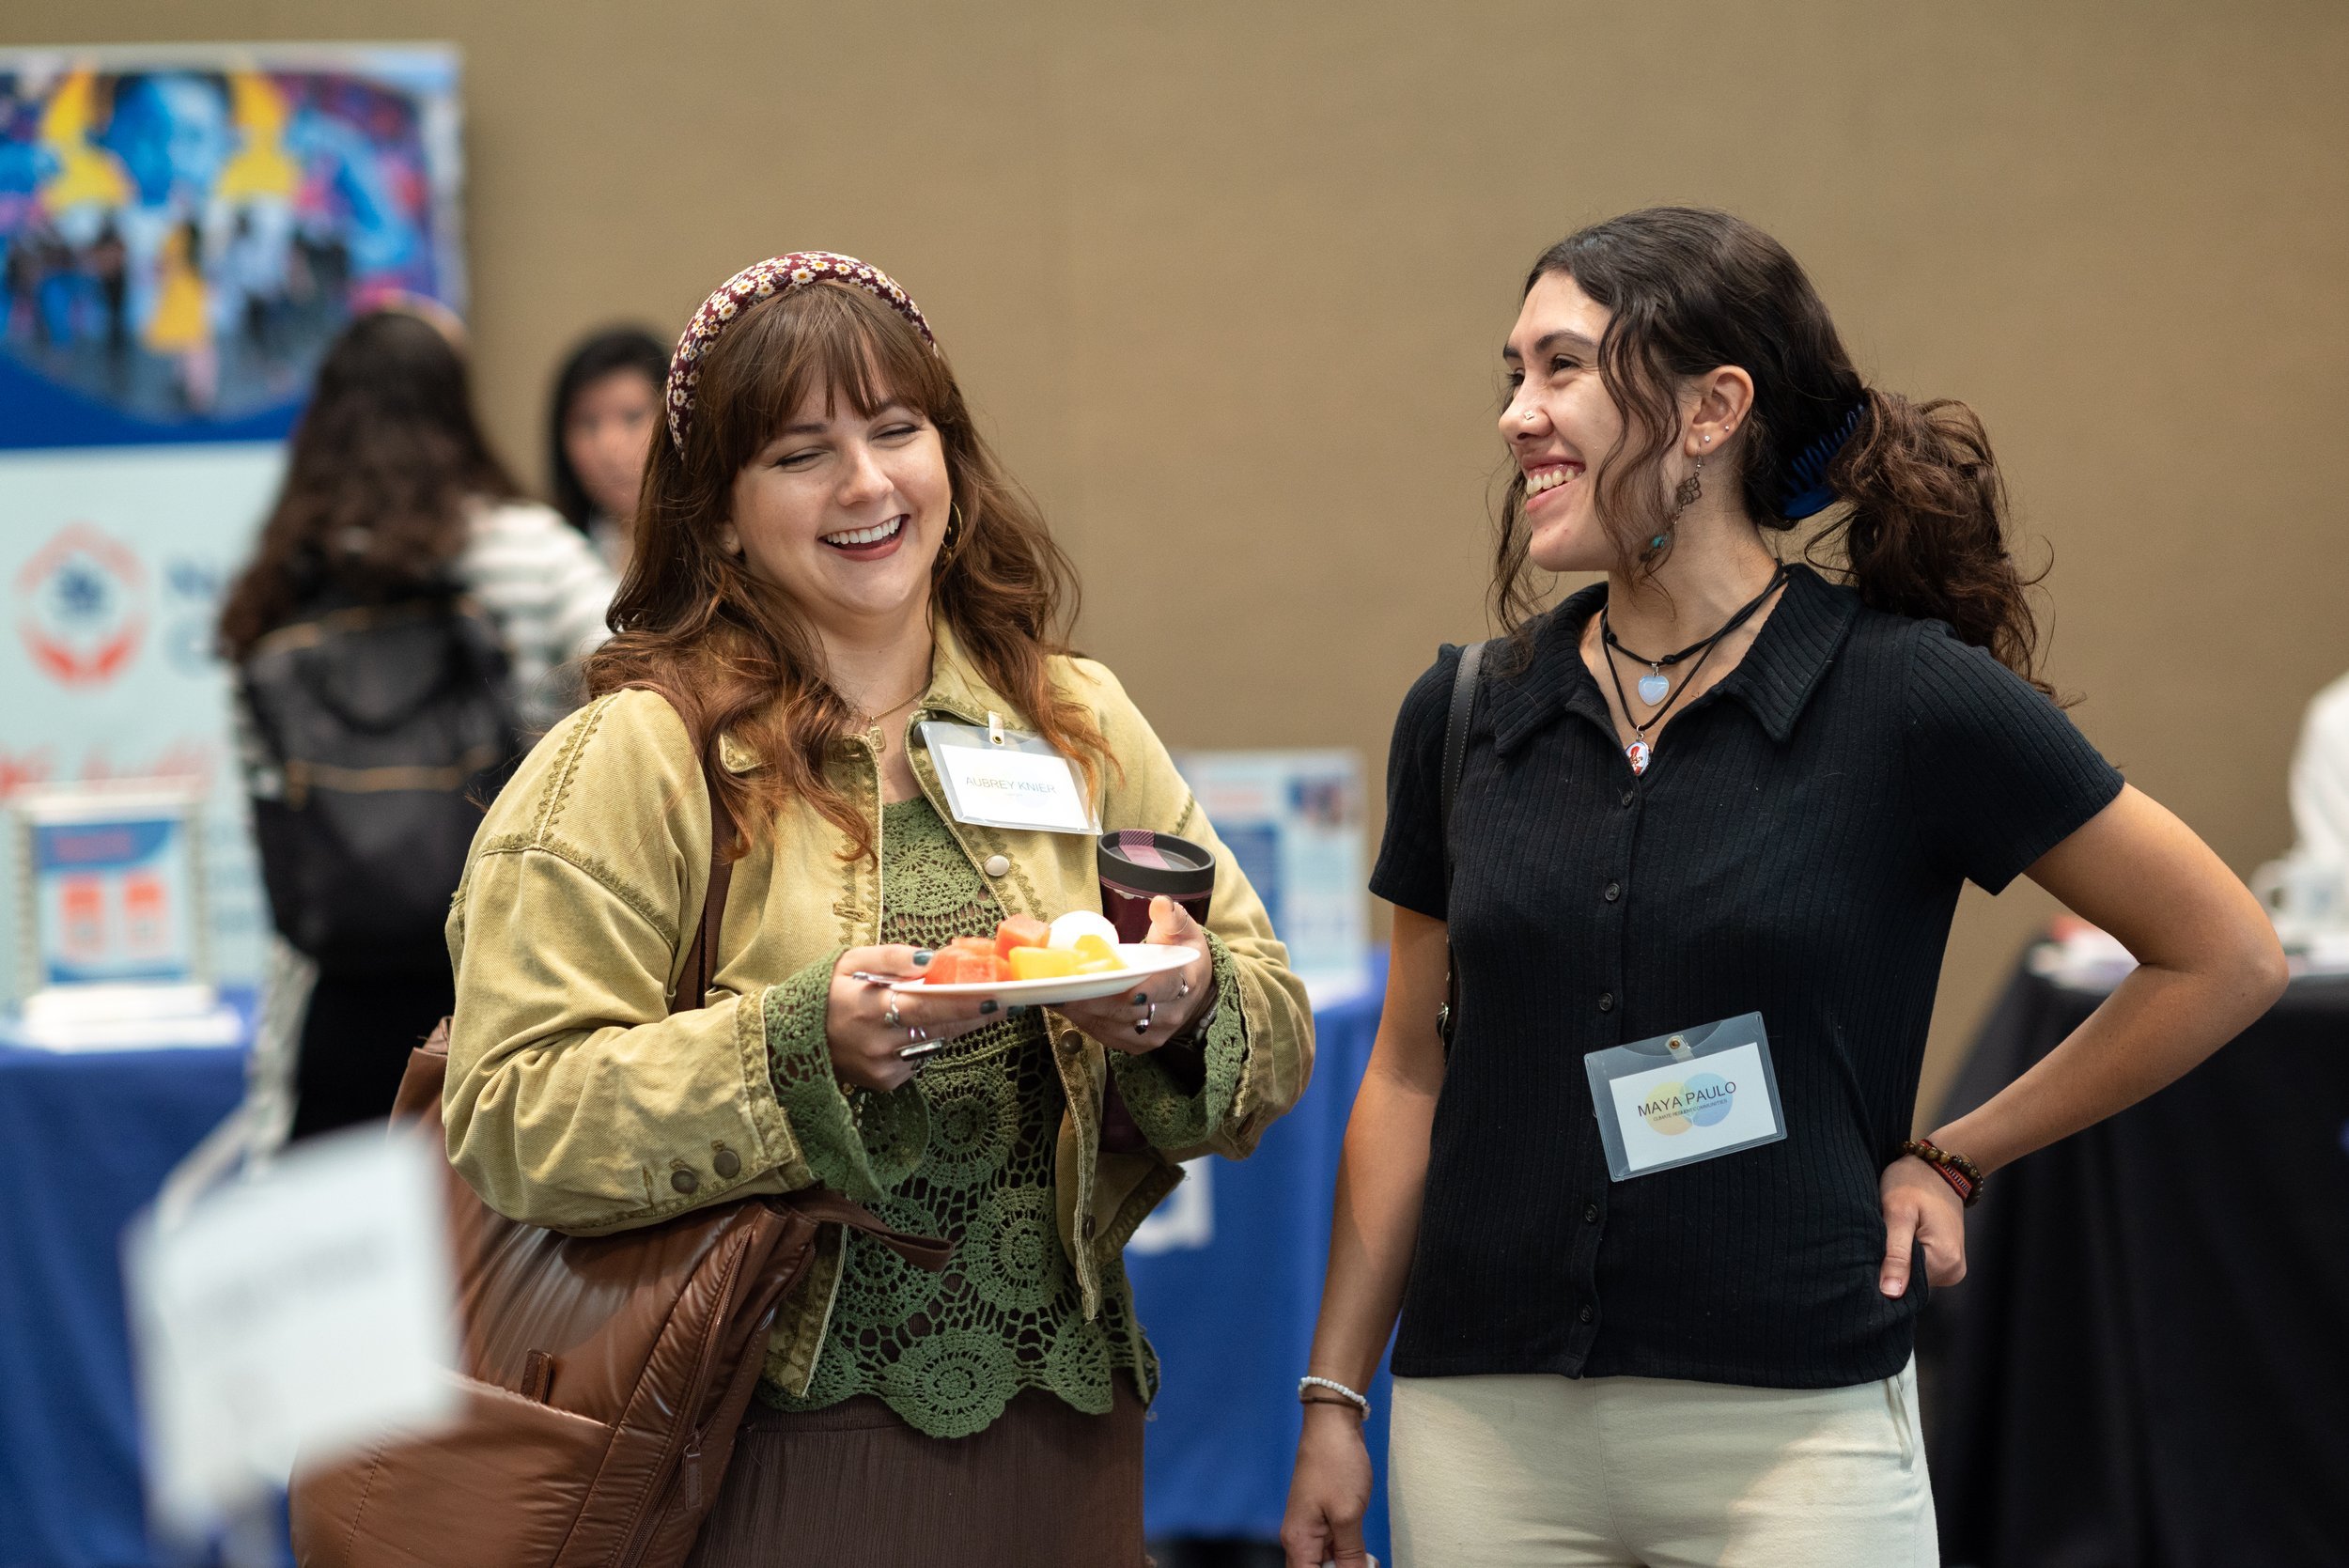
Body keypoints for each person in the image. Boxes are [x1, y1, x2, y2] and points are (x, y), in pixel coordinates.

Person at [1280, 208, 2288, 1568]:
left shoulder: (1905, 696)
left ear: (1714, 409)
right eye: (1511, 373)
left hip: (1793, 1431)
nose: (1518, 413)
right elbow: (1407, 1074)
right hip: (1486, 1426)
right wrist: (1335, 1395)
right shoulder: (1466, 711)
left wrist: (1957, 1154)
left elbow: (2226, 955)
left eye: (1563, 367)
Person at [439, 253, 1313, 1568]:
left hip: (1064, 1425)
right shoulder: (636, 752)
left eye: (898, 431)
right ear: (721, 516)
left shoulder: (1070, 716)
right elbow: (510, 1111)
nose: (868, 484)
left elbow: (1272, 1011)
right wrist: (795, 1048)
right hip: (761, 1440)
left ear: (949, 458)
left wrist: (1185, 1005)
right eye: (801, 452)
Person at [219, 307, 615, 1141]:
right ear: (453, 407)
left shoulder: (273, 595)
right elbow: (643, 689)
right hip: (507, 993)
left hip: (335, 1011)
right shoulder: (526, 552)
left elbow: (276, 819)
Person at [547, 325, 668, 573]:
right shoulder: (547, 552)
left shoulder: (723, 546)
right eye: (588, 423)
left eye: (632, 417)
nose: (609, 447)